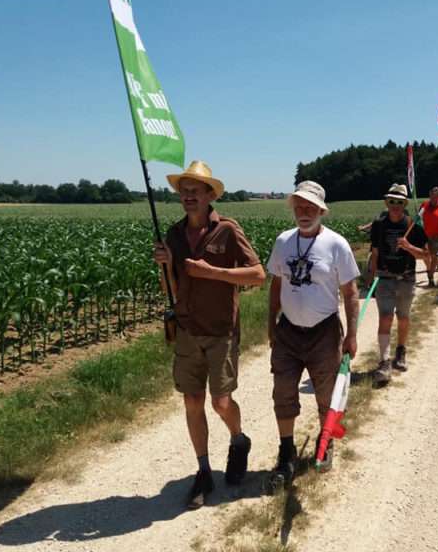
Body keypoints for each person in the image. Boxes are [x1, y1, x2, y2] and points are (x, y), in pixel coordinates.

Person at [153, 160, 266, 510]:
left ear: (209, 195)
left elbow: (258, 275)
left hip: (220, 331)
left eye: (195, 191)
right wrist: (164, 267)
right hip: (187, 330)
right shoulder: (172, 234)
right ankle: (203, 471)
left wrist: (212, 272)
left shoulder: (228, 231)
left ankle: (238, 440)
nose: (188, 196)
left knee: (221, 402)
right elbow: (171, 287)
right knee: (191, 401)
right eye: (183, 191)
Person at [266, 181, 360, 490]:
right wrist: (271, 323)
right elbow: (276, 286)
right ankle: (286, 450)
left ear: (321, 210)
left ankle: (325, 443)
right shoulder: (283, 242)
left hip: (324, 332)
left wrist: (352, 335)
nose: (304, 213)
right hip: (288, 331)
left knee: (325, 393)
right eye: (299, 207)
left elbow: (350, 293)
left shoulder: (336, 245)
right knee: (283, 392)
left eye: (310, 207)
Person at [368, 183, 429, 386]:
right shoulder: (378, 225)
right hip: (384, 278)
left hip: (406, 279)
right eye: (391, 201)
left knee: (403, 318)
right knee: (385, 317)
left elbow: (426, 255)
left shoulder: (413, 225)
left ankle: (401, 350)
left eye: (399, 202)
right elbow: (375, 253)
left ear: (404, 204)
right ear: (386, 203)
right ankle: (384, 361)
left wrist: (409, 246)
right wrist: (370, 278)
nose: (395, 205)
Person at [419, 186, 438, 287]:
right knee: (426, 256)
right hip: (424, 236)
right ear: (430, 195)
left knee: (435, 258)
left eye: (436, 196)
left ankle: (430, 277)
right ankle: (429, 272)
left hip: (436, 236)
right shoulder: (424, 205)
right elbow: (418, 218)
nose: (434, 198)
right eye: (432, 195)